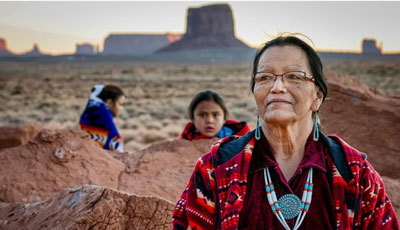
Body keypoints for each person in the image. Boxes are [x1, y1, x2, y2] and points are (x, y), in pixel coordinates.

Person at [172, 35, 399, 229]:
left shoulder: (354, 173)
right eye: (265, 78)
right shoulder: (216, 167)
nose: (277, 87)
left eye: (294, 76)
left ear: (317, 97)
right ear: (255, 93)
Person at [179, 90, 251, 141]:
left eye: (216, 115)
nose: (209, 121)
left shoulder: (240, 133)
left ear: (224, 119)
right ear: (193, 118)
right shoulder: (189, 133)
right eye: (202, 115)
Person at [79, 84, 125, 153]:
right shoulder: (104, 114)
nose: (122, 108)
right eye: (120, 104)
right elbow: (114, 138)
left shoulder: (93, 108)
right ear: (109, 102)